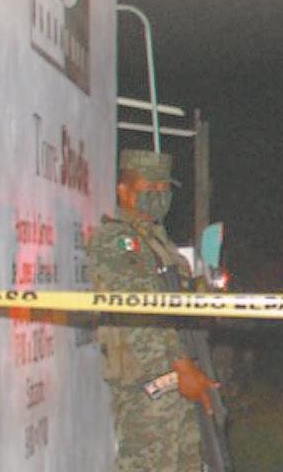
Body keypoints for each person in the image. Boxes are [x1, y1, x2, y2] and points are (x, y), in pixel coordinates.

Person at [89, 149, 217, 472]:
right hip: (149, 383)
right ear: (123, 191)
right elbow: (139, 310)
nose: (159, 194)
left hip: (180, 376)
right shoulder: (117, 240)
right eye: (149, 187)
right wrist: (182, 367)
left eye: (164, 188)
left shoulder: (160, 243)